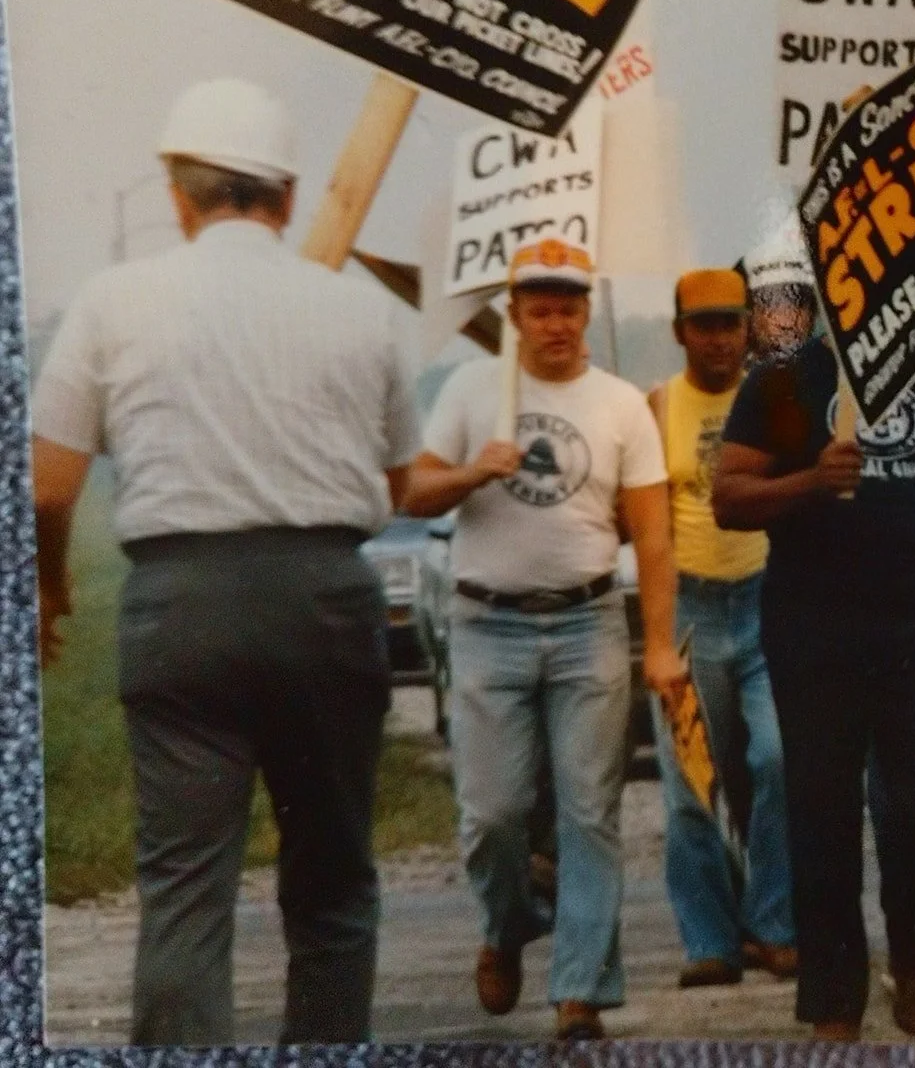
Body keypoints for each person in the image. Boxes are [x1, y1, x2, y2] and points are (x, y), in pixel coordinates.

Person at [31, 79, 417, 1044]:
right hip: (326, 600)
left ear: (178, 194)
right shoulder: (361, 315)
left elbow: (45, 487)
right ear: (287, 199)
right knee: (332, 888)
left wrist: (50, 584)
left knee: (184, 894)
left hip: (181, 606)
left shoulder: (114, 302)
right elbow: (405, 478)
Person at [714, 339, 915, 1041]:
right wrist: (809, 480)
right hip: (811, 625)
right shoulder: (782, 381)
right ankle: (834, 1000)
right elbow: (730, 497)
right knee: (823, 812)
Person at [406, 239, 685, 1042]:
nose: (555, 324)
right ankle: (507, 925)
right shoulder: (470, 390)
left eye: (568, 308)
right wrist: (472, 473)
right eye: (540, 310)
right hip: (486, 623)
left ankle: (581, 990)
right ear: (516, 317)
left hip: (585, 623)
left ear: (585, 312)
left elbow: (656, 539)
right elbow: (417, 492)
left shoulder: (621, 405)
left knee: (590, 809)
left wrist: (660, 645)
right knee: (491, 814)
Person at [647, 268, 797, 988]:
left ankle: (773, 924)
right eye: (703, 324)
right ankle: (710, 940)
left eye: (730, 323)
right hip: (691, 610)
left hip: (770, 601)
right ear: (679, 331)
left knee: (778, 758)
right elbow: (640, 520)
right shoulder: (657, 407)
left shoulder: (773, 399)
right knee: (691, 782)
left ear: (750, 327)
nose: (718, 338)